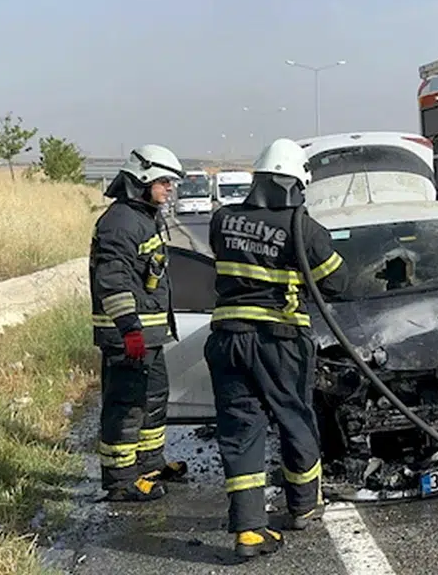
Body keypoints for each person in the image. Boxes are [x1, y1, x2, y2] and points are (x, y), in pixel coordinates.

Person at [205, 138, 350, 560]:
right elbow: (337, 282)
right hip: (279, 340)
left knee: (240, 429)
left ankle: (249, 530)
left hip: (227, 338)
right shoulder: (302, 227)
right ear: (297, 183)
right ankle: (304, 506)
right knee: (294, 418)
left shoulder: (222, 218)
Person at [89, 144, 190, 501]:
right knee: (126, 404)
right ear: (143, 179)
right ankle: (120, 479)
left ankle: (149, 463)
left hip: (148, 335)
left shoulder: (144, 217)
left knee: (154, 396)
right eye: (164, 182)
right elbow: (112, 281)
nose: (169, 189)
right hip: (127, 337)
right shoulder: (120, 223)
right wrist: (129, 328)